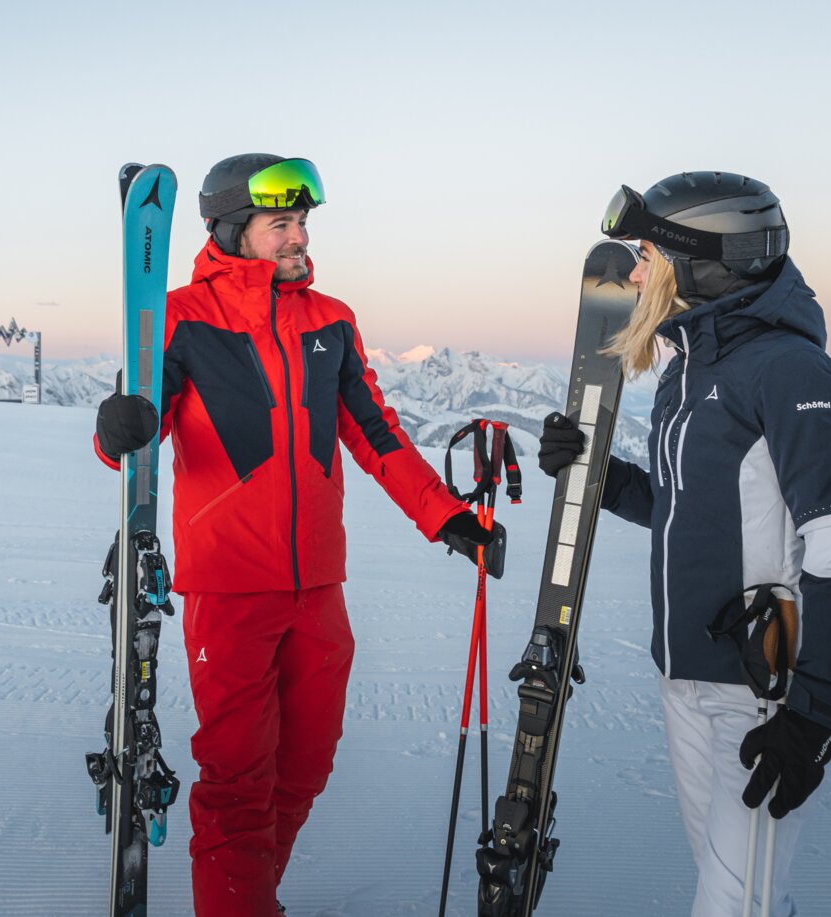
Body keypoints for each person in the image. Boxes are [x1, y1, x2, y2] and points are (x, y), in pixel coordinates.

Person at [93, 153, 506, 917]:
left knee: (306, 765)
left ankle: (248, 893)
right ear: (230, 229)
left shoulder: (331, 321)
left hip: (317, 589)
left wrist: (442, 515)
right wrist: (113, 430)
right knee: (237, 779)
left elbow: (376, 435)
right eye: (280, 223)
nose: (298, 237)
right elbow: (137, 432)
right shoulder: (183, 317)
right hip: (229, 589)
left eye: (302, 221)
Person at [537, 172, 831, 916]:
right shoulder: (689, 370)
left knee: (731, 907)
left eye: (647, 255)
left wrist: (815, 717)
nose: (633, 273)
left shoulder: (788, 370)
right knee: (744, 897)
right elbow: (686, 508)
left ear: (702, 263)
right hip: (686, 680)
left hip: (759, 695)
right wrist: (596, 473)